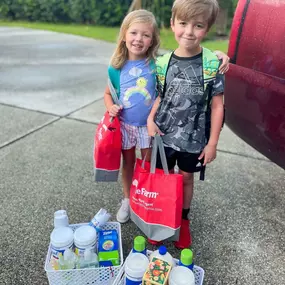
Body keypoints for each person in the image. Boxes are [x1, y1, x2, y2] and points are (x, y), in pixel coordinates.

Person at [104, 8, 229, 225]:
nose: (138, 39)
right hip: (142, 129)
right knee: (142, 168)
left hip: (171, 133)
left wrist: (219, 55)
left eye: (146, 35)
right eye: (133, 33)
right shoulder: (132, 67)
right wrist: (115, 108)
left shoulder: (161, 64)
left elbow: (215, 103)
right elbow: (115, 93)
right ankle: (139, 202)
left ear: (153, 40)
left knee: (166, 171)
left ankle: (167, 209)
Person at [147, 0, 225, 248]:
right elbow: (160, 96)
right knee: (162, 177)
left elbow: (217, 106)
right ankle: (161, 218)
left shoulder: (212, 63)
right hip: (163, 136)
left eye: (198, 25)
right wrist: (150, 120)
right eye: (183, 23)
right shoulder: (162, 62)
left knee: (186, 179)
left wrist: (212, 143)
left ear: (207, 28)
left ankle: (183, 219)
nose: (189, 32)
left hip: (194, 140)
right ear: (172, 24)